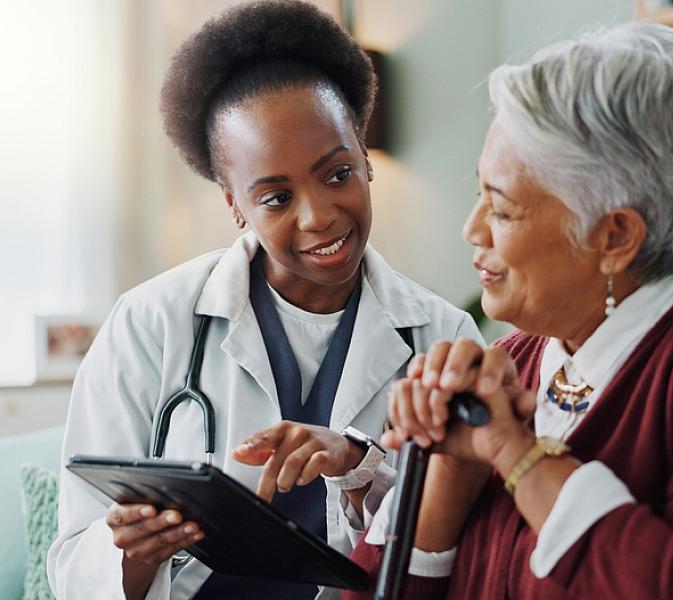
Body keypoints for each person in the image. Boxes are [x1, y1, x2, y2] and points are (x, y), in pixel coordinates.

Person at [347, 22, 673, 599]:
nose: (472, 229)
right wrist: (452, 465)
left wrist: (514, 454)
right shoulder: (511, 362)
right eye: (480, 195)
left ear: (616, 236)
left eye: (501, 209)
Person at [47, 2, 481, 599]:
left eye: (337, 174)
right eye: (276, 197)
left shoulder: (444, 336)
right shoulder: (150, 324)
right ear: (233, 203)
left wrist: (361, 467)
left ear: (362, 154)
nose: (319, 217)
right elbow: (74, 559)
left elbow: (468, 540)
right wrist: (130, 552)